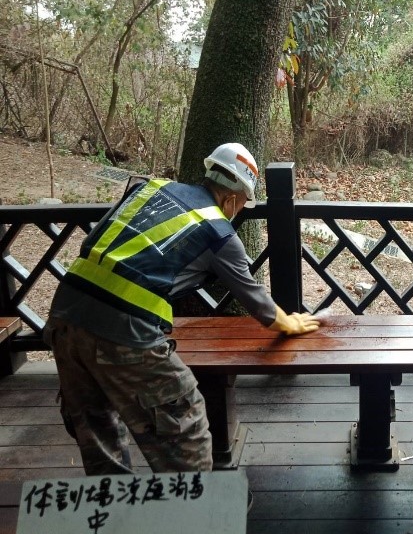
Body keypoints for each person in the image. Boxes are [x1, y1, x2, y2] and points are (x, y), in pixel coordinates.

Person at [44, 142, 320, 475]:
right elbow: (255, 298)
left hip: (64, 316)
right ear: (234, 198)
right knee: (184, 428)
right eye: (244, 203)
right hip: (124, 331)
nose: (241, 210)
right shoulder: (218, 231)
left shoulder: (149, 189)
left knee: (96, 428)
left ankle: (113, 515)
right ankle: (196, 512)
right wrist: (287, 322)